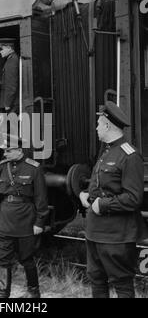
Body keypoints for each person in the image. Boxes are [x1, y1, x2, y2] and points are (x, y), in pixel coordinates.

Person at [79, 101, 148, 298]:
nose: (96, 128)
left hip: (116, 236)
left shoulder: (130, 156)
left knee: (122, 284)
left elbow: (134, 198)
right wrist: (87, 195)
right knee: (96, 280)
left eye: (98, 124)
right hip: (94, 232)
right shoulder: (106, 152)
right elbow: (101, 186)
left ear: (108, 126)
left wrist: (103, 204)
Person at [0, 133, 49, 298]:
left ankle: (34, 292)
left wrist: (39, 222)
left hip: (25, 220)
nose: (5, 154)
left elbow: (41, 198)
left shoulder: (34, 168)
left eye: (9, 150)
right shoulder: (2, 166)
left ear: (19, 150)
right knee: (2, 260)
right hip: (4, 218)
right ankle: (2, 295)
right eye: (5, 151)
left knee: (27, 259)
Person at [0, 38, 19, 115]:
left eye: (2, 49)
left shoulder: (12, 61)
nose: (0, 51)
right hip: (11, 103)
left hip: (11, 104)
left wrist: (7, 104)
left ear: (9, 48)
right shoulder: (11, 59)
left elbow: (11, 84)